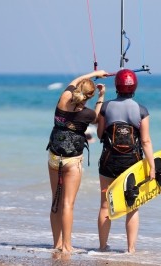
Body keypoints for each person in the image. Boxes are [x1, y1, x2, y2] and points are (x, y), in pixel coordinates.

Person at [46, 70, 107, 254]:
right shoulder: (87, 114)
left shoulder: (63, 99)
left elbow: (73, 82)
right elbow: (97, 119)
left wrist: (94, 73)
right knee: (67, 204)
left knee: (55, 201)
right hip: (72, 160)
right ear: (89, 96)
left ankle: (57, 243)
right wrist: (102, 96)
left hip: (54, 157)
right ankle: (67, 246)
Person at [97, 69, 155, 253]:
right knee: (132, 206)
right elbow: (145, 141)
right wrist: (152, 166)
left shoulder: (106, 107)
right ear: (134, 86)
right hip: (132, 163)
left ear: (117, 86)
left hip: (108, 162)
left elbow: (99, 134)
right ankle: (130, 249)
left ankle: (103, 246)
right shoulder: (142, 110)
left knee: (105, 205)